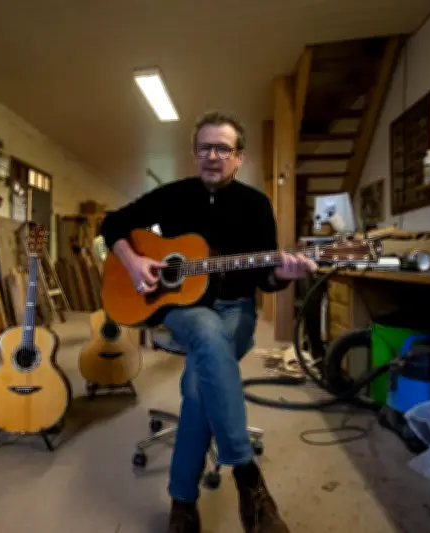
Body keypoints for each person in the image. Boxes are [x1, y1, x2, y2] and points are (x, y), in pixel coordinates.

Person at [100, 111, 317, 533]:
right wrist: (132, 261)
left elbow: (262, 276)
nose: (212, 156)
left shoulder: (256, 205)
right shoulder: (175, 195)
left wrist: (281, 274)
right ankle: (248, 478)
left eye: (223, 148)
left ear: (239, 157)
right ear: (194, 154)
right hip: (183, 311)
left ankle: (182, 503)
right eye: (205, 148)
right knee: (204, 328)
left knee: (198, 389)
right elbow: (113, 223)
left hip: (236, 308)